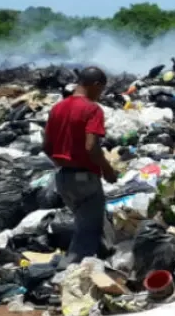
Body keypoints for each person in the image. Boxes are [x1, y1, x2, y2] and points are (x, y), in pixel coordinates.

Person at [43, 66, 119, 270]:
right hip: (84, 177)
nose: (100, 95)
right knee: (88, 229)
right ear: (95, 85)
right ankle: (69, 273)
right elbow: (91, 146)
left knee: (85, 223)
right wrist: (107, 169)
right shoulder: (92, 109)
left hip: (62, 178)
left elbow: (46, 147)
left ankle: (100, 259)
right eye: (101, 90)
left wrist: (63, 162)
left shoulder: (57, 108)